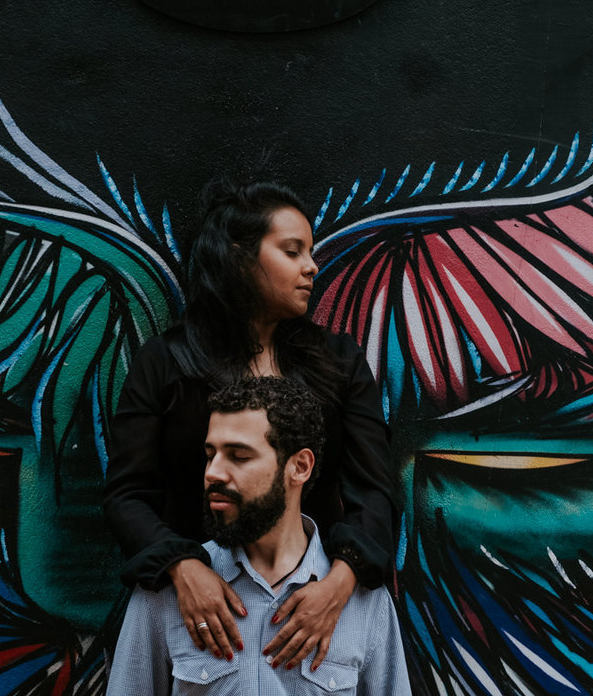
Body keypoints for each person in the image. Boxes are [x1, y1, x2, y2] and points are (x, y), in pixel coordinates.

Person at [103, 180, 395, 671]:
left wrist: (342, 584)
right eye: (291, 251)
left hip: (306, 612)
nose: (311, 267)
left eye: (311, 252)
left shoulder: (339, 363)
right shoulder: (165, 364)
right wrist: (181, 565)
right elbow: (125, 493)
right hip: (193, 618)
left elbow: (376, 488)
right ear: (239, 258)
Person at [108, 377, 410, 695]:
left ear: (300, 466)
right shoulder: (169, 594)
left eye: (239, 456)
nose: (212, 472)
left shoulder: (364, 602)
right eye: (211, 454)